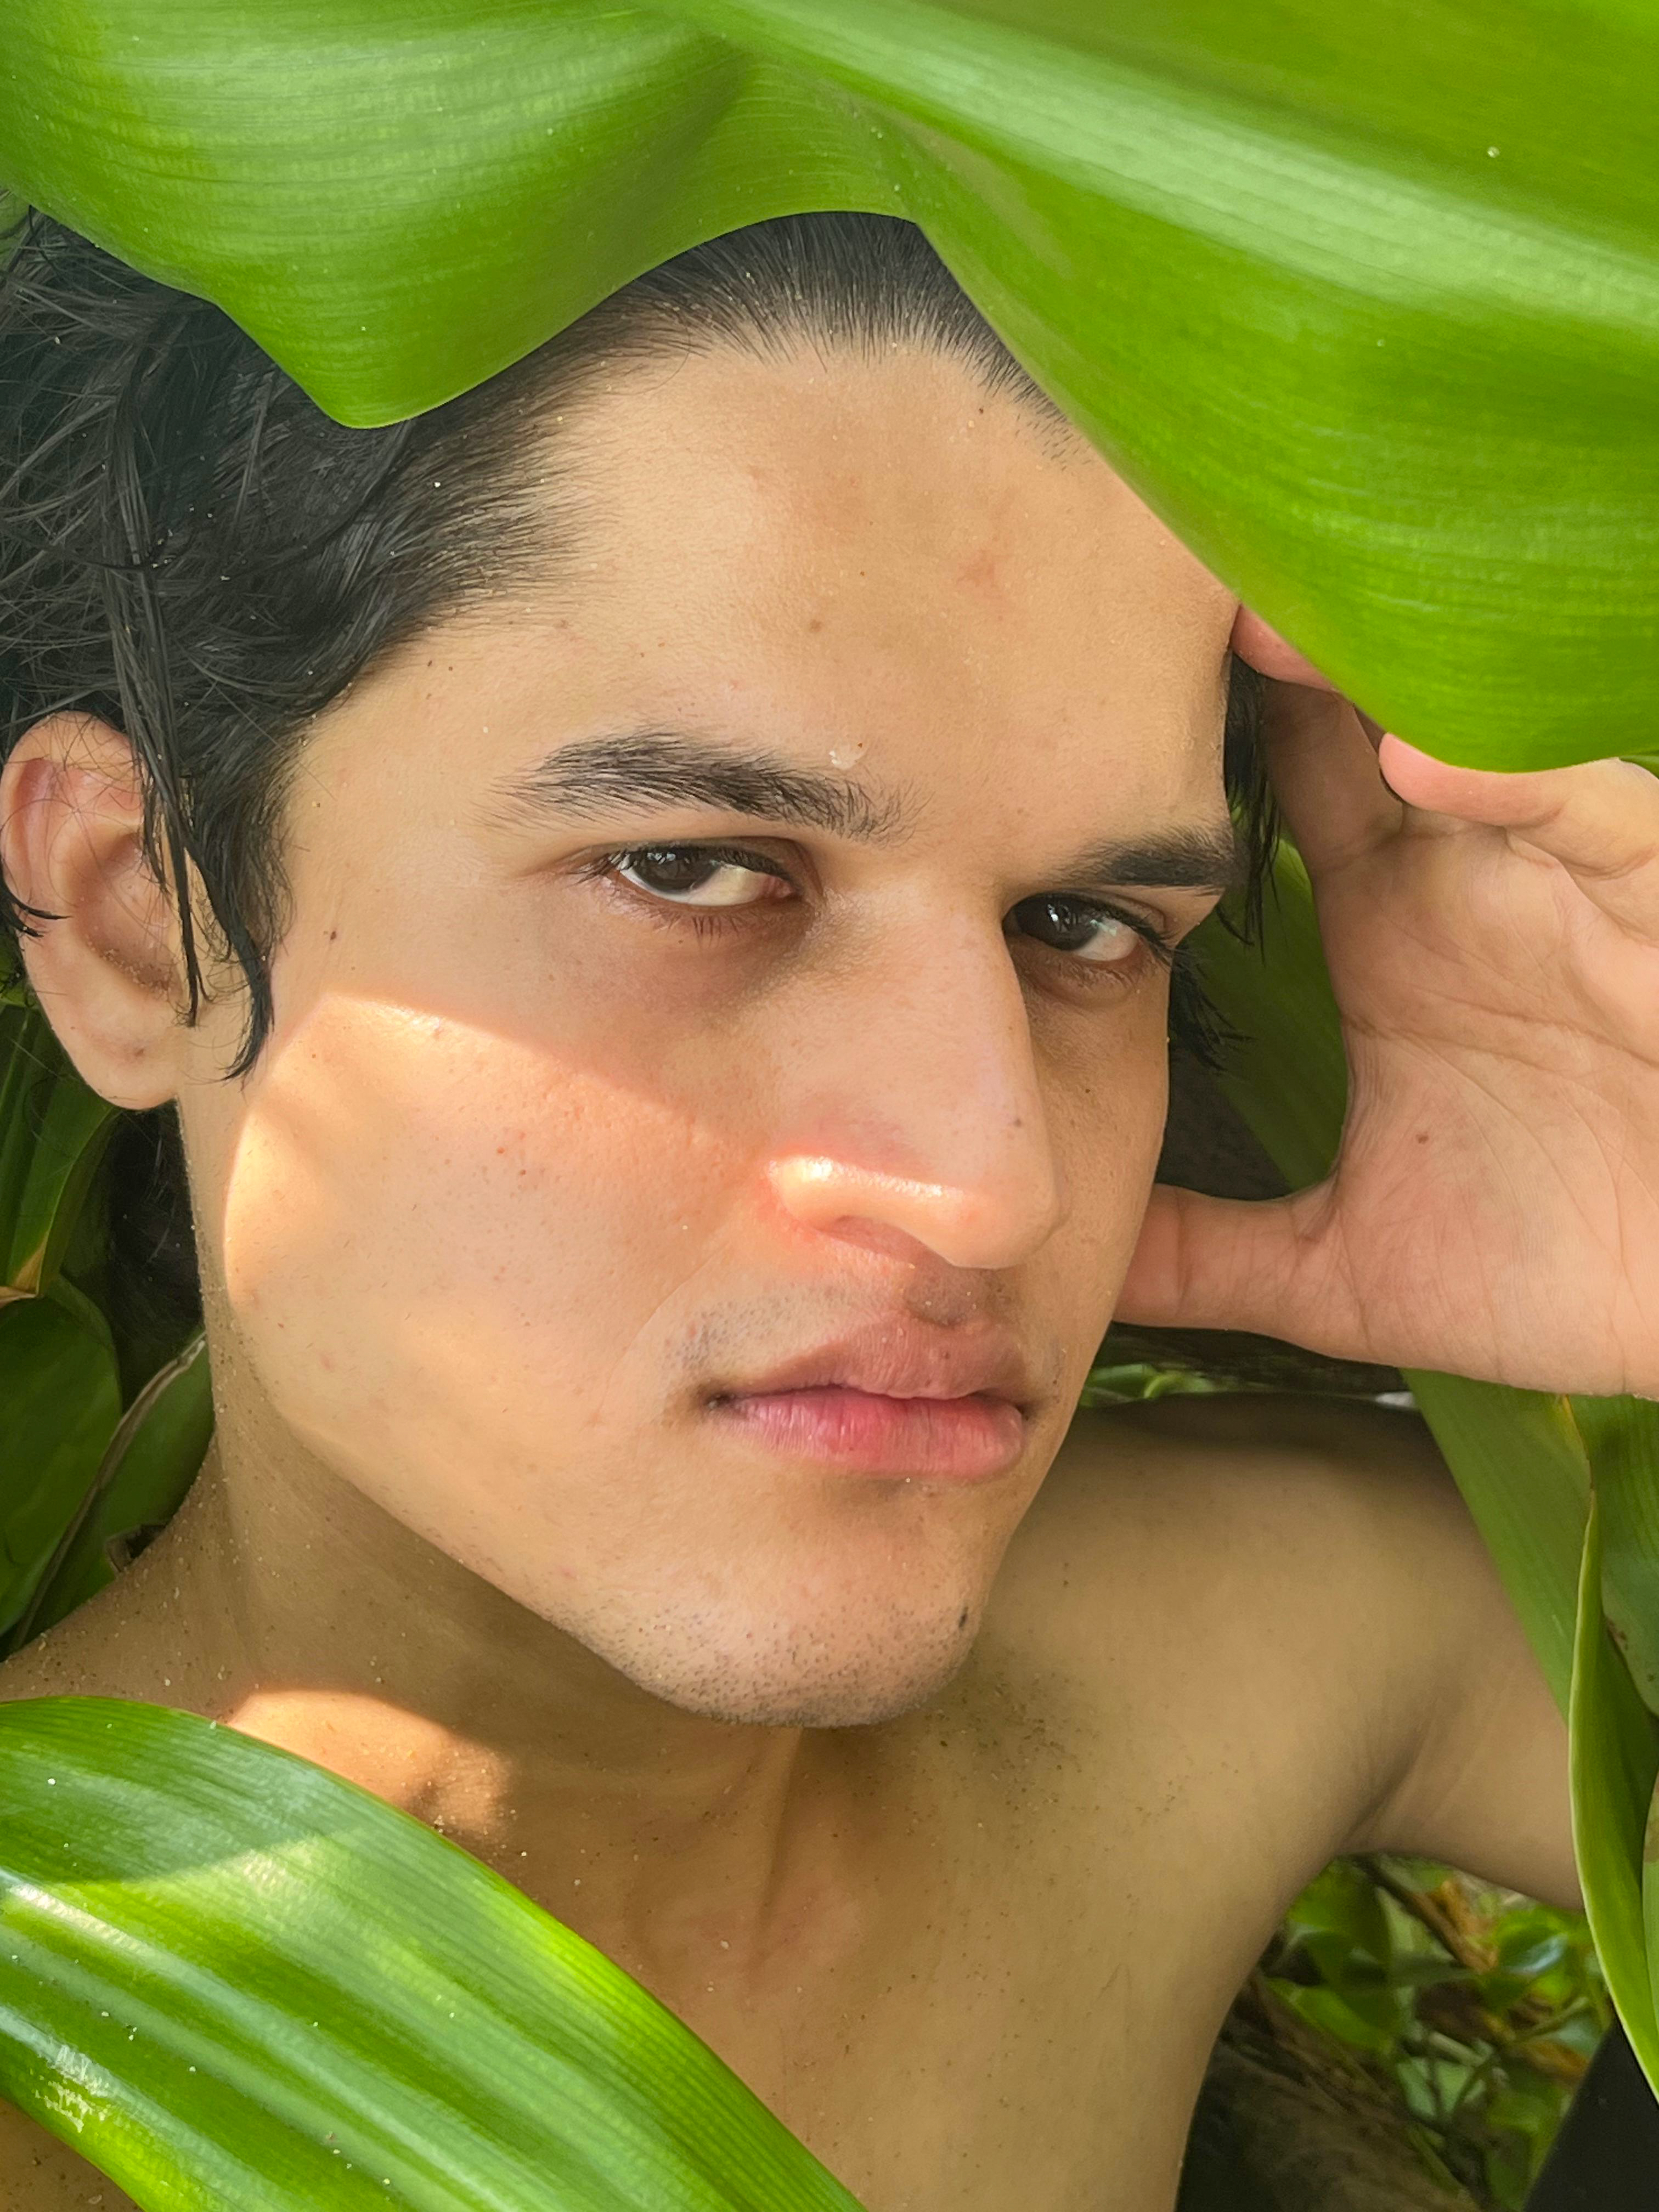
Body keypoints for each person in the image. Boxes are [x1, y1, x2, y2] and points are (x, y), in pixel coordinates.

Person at [1, 205, 1652, 2212]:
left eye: (1085, 923)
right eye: (694, 870)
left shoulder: (1180, 1670)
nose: (992, 1182)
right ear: (139, 922)